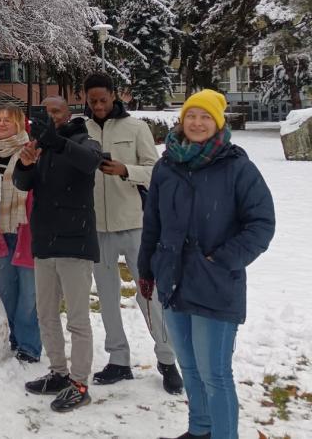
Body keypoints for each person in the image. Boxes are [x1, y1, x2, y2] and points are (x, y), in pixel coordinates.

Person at [139, 89, 275, 439]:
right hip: (172, 279)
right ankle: (200, 429)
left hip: (215, 284)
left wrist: (221, 259)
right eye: (191, 116)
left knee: (215, 373)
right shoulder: (165, 166)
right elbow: (152, 222)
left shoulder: (236, 167)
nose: (197, 123)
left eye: (205, 117)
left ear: (217, 124)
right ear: (182, 121)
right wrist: (146, 267)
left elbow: (261, 223)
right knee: (190, 367)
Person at [83, 72, 183, 394]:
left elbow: (157, 172)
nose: (98, 106)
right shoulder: (79, 130)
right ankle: (118, 360)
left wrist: (126, 171)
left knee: (148, 293)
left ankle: (167, 360)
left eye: (103, 99)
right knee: (108, 296)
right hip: (97, 227)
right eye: (92, 100)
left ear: (114, 96)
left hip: (135, 225)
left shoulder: (136, 128)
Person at [13, 97, 103, 412]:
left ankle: (79, 383)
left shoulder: (84, 141)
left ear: (68, 114)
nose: (51, 117)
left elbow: (90, 162)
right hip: (45, 242)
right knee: (46, 313)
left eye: (56, 112)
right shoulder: (42, 146)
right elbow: (22, 184)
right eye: (46, 112)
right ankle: (58, 373)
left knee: (77, 319)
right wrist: (25, 163)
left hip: (75, 242)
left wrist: (55, 142)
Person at [0, 104, 42, 364]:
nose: (1, 123)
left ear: (20, 124)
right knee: (7, 290)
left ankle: (29, 344)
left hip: (25, 230)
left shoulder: (29, 151)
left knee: (29, 293)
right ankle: (12, 337)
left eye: (8, 120)